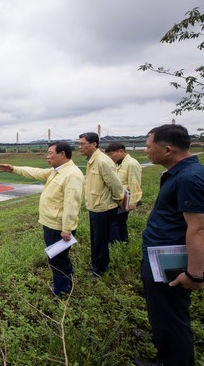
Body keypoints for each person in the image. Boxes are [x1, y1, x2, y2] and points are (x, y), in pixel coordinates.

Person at [133, 124, 204, 366]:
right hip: (158, 259)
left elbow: (199, 229)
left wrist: (195, 274)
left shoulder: (190, 178)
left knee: (172, 318)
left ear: (167, 149)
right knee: (162, 312)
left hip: (171, 263)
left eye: (148, 146)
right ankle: (163, 347)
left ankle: (173, 360)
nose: (146, 151)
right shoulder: (180, 174)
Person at [0, 142, 84, 296]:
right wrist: (14, 169)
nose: (47, 156)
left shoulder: (72, 174)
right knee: (57, 256)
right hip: (51, 223)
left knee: (58, 259)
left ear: (62, 154)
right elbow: (36, 172)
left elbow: (72, 204)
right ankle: (65, 285)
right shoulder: (56, 171)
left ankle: (62, 291)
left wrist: (67, 228)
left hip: (59, 227)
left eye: (50, 153)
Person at [78, 132, 124, 277]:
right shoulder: (92, 159)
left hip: (103, 207)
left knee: (100, 241)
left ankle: (100, 270)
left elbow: (115, 185)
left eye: (82, 144)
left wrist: (118, 200)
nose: (80, 147)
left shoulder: (102, 161)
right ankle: (96, 265)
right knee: (96, 239)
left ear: (93, 144)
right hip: (95, 206)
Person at [104, 142, 143, 243]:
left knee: (114, 222)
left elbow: (135, 183)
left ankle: (115, 244)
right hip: (118, 199)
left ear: (121, 151)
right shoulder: (120, 163)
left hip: (126, 198)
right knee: (120, 222)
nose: (110, 157)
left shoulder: (131, 163)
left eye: (111, 154)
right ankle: (123, 242)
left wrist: (133, 202)